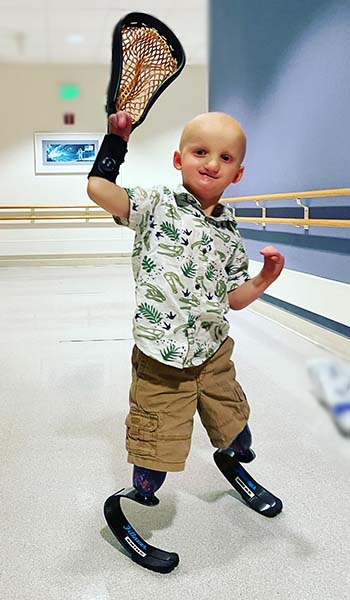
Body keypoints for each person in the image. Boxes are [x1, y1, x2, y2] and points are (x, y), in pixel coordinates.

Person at [87, 110, 285, 572]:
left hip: (214, 354)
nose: (211, 163)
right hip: (162, 359)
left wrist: (265, 278)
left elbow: (234, 299)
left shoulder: (230, 232)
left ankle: (232, 460)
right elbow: (99, 191)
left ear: (238, 173)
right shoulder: (157, 203)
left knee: (238, 432)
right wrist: (116, 142)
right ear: (179, 159)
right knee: (154, 462)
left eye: (225, 157)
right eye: (200, 152)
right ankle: (133, 497)